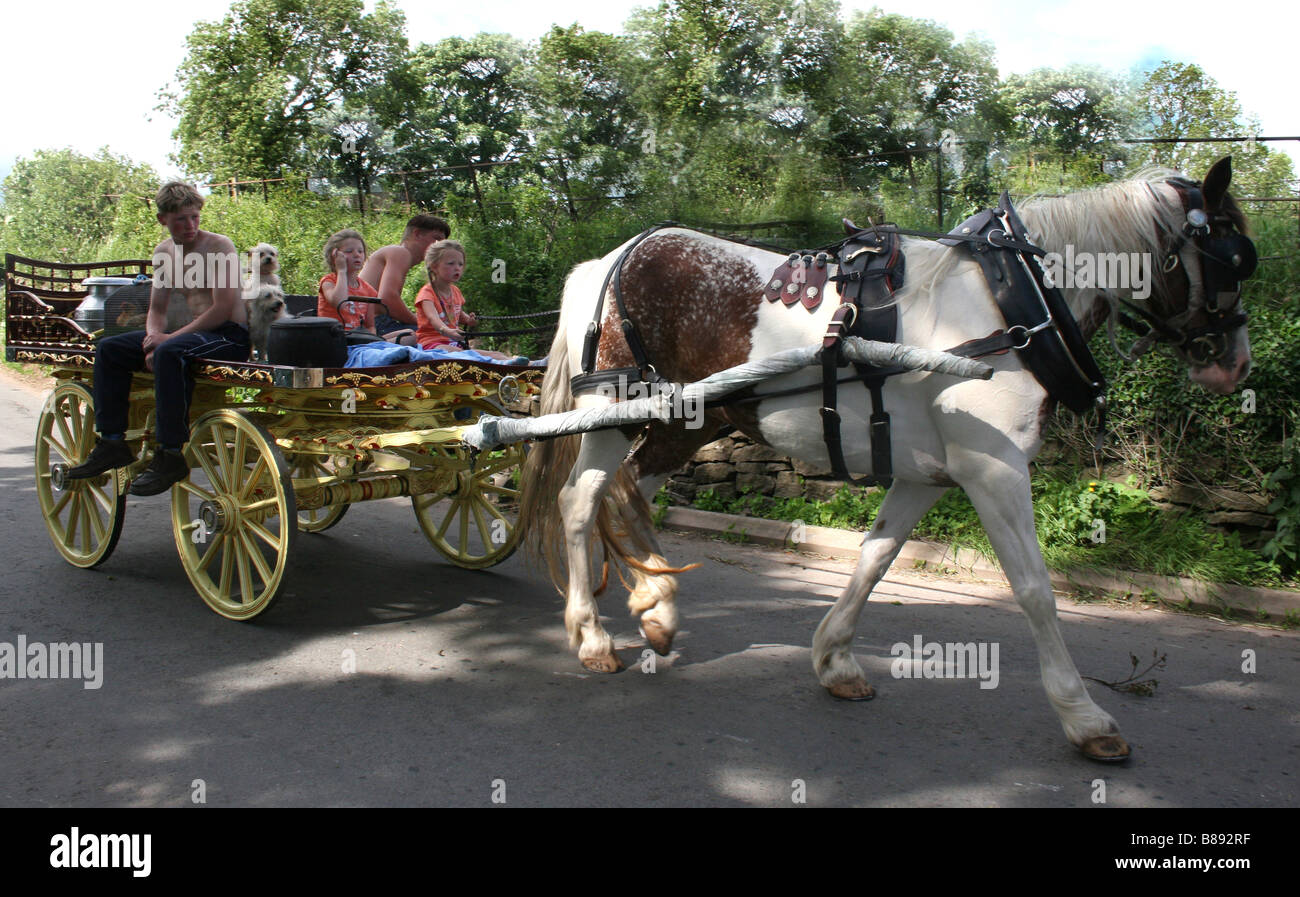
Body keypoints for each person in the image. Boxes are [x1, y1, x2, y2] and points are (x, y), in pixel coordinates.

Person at [67, 181, 250, 495]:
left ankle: (170, 452)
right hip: (192, 334)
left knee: (170, 352)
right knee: (109, 348)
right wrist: (152, 338)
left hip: (228, 336)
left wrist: (166, 341)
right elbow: (157, 308)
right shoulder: (164, 252)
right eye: (181, 219)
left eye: (195, 217)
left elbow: (221, 309)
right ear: (162, 219)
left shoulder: (220, 246)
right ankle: (112, 442)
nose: (190, 225)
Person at [415, 240, 518, 361]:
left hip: (453, 345)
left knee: (496, 354)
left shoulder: (455, 291)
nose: (457, 268)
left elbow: (456, 314)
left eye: (460, 264)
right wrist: (446, 331)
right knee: (464, 355)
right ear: (434, 266)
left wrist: (469, 320)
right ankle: (506, 365)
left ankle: (525, 363)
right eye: (451, 263)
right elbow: (433, 319)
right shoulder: (427, 294)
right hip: (431, 344)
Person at [358, 214, 449, 341]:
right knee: (436, 337)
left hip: (366, 324)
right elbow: (387, 299)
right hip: (370, 325)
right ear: (417, 234)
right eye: (436, 239)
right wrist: (422, 322)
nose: (439, 247)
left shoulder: (396, 254)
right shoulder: (400, 252)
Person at [317, 229, 379, 333]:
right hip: (333, 338)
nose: (357, 255)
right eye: (349, 251)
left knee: (408, 335)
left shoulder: (369, 290)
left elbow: (370, 326)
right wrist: (341, 270)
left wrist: (371, 340)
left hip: (359, 340)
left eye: (360, 251)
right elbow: (340, 303)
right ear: (334, 256)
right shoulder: (328, 282)